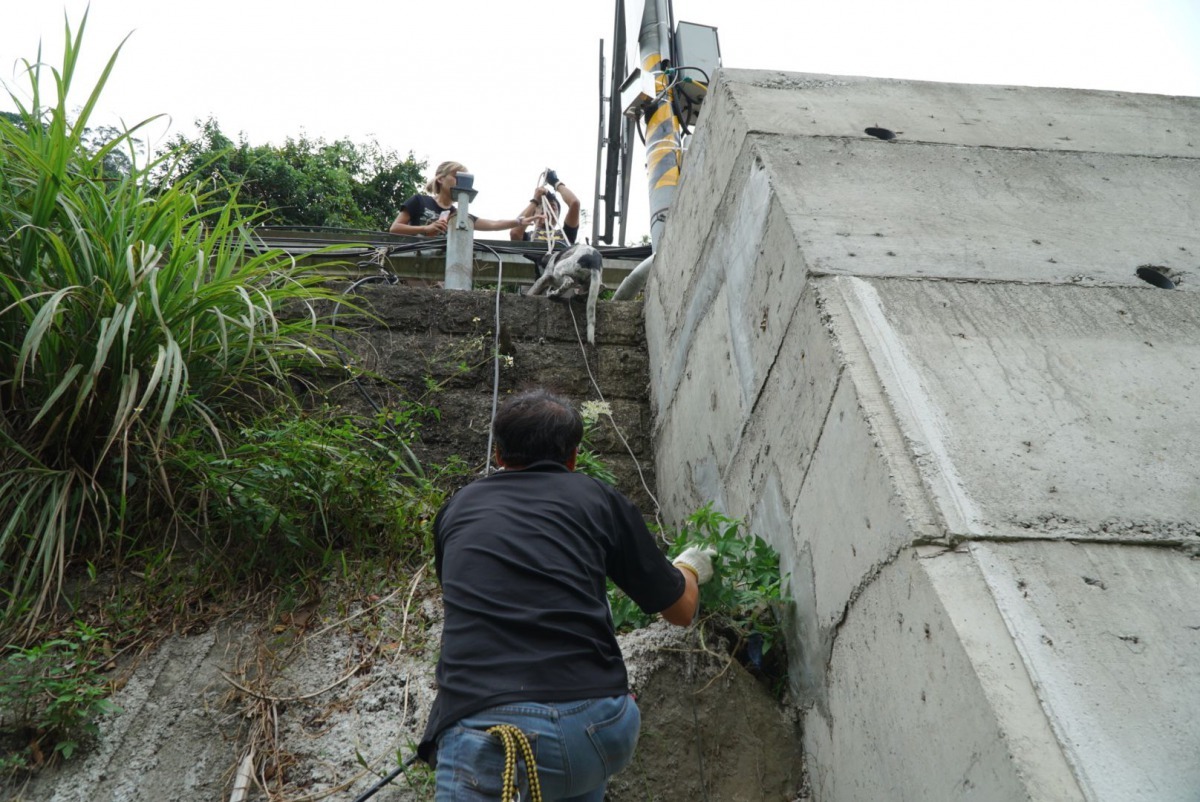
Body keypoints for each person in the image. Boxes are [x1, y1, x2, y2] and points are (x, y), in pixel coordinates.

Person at [418, 388, 716, 801]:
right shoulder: (597, 499)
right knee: (570, 770)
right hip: (596, 728)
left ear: (499, 457)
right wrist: (690, 568)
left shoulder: (458, 510)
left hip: (489, 735)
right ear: (573, 458)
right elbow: (681, 612)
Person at [390, 160, 534, 236]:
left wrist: (518, 221)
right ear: (441, 179)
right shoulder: (419, 201)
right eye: (456, 176)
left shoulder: (459, 215)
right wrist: (426, 228)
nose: (460, 180)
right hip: (412, 262)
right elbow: (395, 228)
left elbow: (493, 224)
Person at [509, 168, 582, 247]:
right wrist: (535, 200)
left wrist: (556, 182)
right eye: (543, 206)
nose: (549, 208)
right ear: (533, 214)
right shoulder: (528, 237)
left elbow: (575, 203)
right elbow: (514, 233)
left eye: (553, 207)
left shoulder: (565, 234)